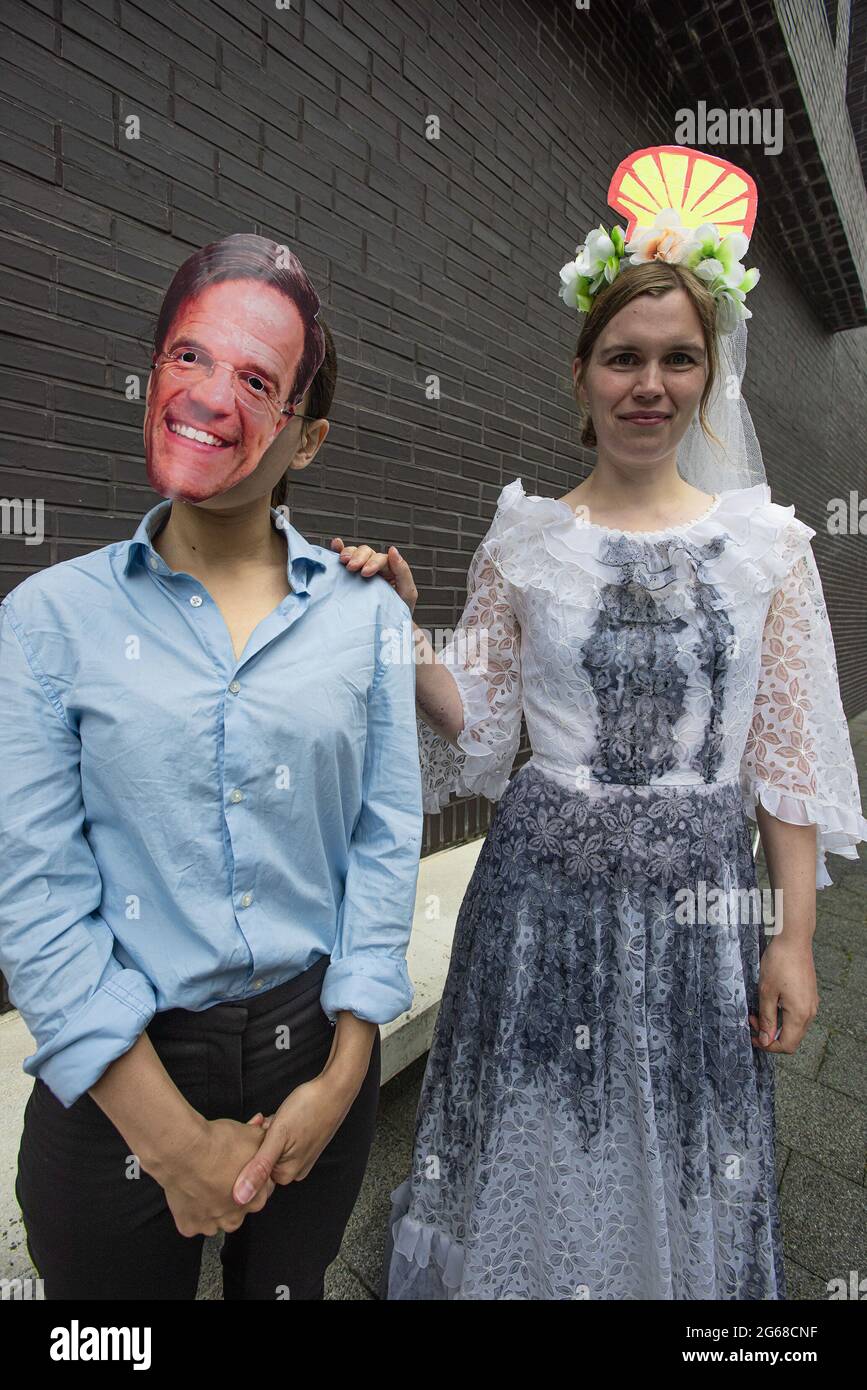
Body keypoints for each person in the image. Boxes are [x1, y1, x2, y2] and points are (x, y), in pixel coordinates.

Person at [330, 148, 867, 1298]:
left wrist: (793, 939)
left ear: (708, 373)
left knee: (676, 1140)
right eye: (624, 357)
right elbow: (477, 728)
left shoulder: (771, 552)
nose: (649, 383)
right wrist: (398, 626)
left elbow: (787, 762)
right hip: (538, 904)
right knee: (544, 1131)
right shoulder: (523, 539)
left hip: (702, 910)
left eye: (678, 358)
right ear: (581, 374)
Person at [0, 233, 423, 1300]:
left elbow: (384, 842)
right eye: (188, 357)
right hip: (119, 1076)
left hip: (316, 1045)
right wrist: (171, 1140)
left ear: (305, 435)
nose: (209, 396)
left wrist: (343, 1073)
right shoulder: (47, 621)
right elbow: (37, 892)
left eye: (255, 378)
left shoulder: (368, 615)